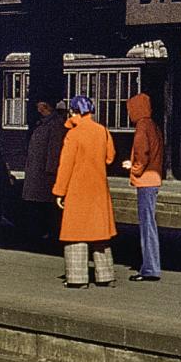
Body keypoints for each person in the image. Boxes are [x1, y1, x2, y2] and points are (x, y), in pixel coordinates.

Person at [52, 94, 117, 287]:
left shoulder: (73, 134)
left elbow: (66, 166)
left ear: (73, 111)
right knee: (99, 234)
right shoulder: (102, 131)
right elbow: (110, 158)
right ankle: (105, 276)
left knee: (76, 235)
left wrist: (59, 191)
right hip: (98, 189)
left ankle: (77, 279)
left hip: (77, 189)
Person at [123, 92, 164, 281]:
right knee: (150, 224)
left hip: (146, 180)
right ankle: (151, 266)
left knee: (147, 225)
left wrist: (134, 169)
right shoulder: (153, 125)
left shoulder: (142, 126)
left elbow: (142, 153)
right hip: (153, 179)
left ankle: (150, 268)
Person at [19, 98, 66, 240]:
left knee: (46, 206)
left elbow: (54, 149)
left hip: (44, 175)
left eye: (39, 105)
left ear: (45, 106)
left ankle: (47, 232)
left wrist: (51, 171)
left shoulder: (55, 124)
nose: (37, 108)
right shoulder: (42, 124)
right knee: (36, 205)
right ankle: (38, 231)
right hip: (36, 171)